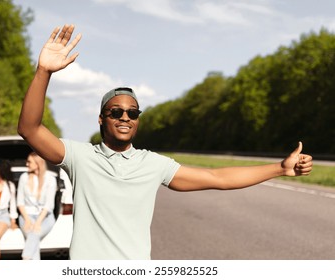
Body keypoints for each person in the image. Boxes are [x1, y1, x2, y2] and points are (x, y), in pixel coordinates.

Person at [17, 24, 313, 260]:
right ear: (101, 119)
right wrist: (43, 71)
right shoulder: (79, 156)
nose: (124, 117)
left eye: (132, 112)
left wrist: (280, 168)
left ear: (138, 120)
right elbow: (29, 129)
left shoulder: (152, 164)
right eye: (116, 111)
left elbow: (216, 177)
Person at [17, 152, 57, 260]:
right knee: (33, 237)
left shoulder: (50, 179)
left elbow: (49, 205)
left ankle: (26, 257)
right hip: (26, 216)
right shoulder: (23, 177)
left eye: (29, 162)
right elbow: (20, 202)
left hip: (45, 217)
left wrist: (38, 222)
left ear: (38, 163)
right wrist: (27, 220)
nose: (26, 164)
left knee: (34, 234)